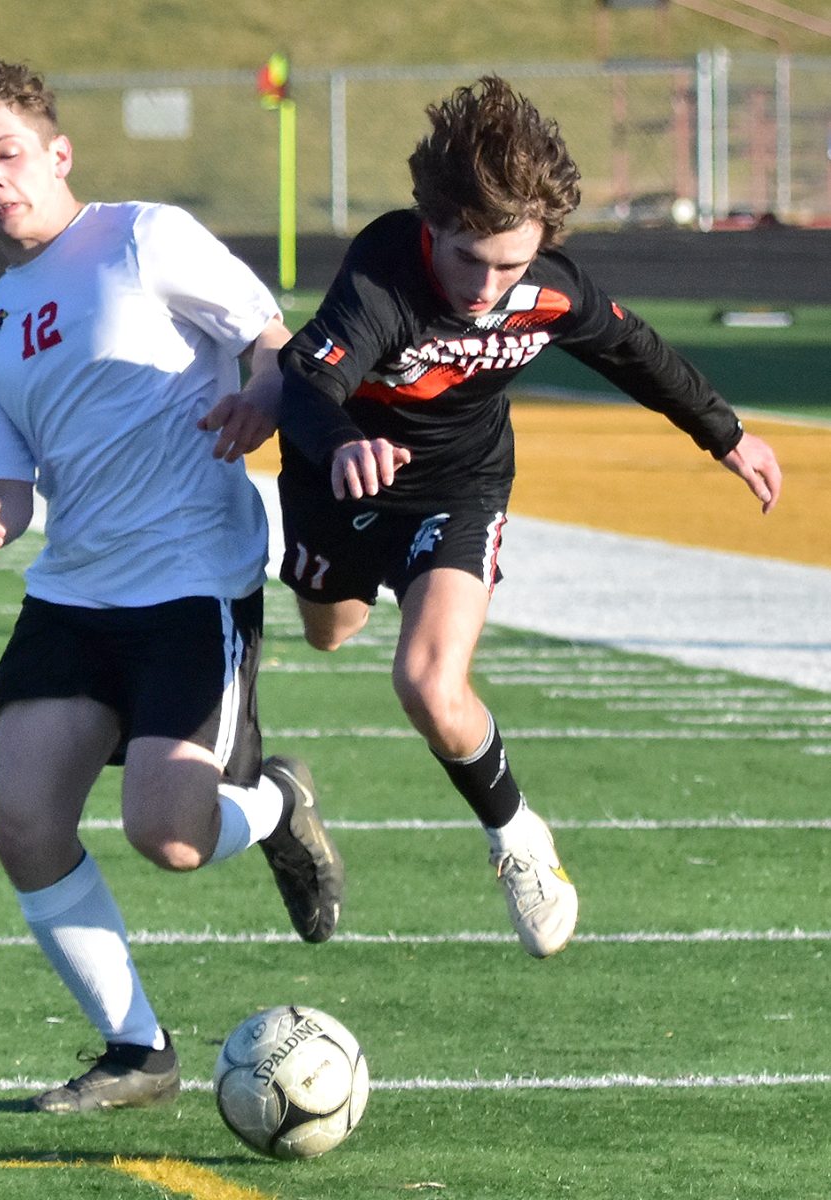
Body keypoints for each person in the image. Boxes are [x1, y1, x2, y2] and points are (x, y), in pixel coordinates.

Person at [275, 76, 782, 959]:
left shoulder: (546, 285)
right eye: (469, 258)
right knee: (329, 632)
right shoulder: (384, 275)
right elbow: (307, 377)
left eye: (511, 262)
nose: (487, 285)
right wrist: (345, 441)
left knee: (430, 683)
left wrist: (725, 432)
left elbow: (632, 347)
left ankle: (518, 839)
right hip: (344, 481)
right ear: (434, 225)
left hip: (460, 485)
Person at [0, 53, 343, 1114]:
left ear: (57, 153)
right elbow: (8, 485)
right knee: (23, 827)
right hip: (73, 592)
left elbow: (274, 342)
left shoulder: (142, 236)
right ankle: (136, 1052)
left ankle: (279, 802)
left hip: (190, 583)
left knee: (171, 838)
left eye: (8, 153)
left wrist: (260, 393)